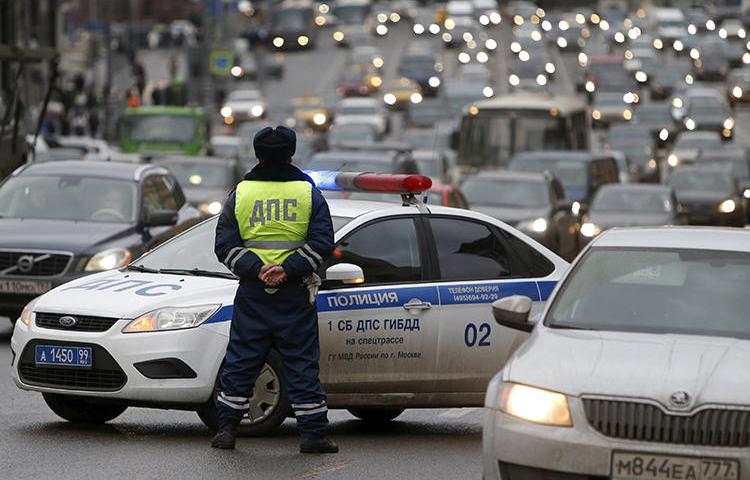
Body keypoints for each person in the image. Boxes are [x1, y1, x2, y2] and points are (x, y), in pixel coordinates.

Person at [212, 126, 338, 454]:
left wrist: (257, 270)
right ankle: (313, 436)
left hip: (253, 292)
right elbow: (323, 243)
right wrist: (287, 269)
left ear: (257, 154)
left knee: (241, 360)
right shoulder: (308, 193)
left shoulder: (241, 193)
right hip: (294, 293)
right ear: (291, 154)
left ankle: (226, 429)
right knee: (301, 362)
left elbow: (225, 245)